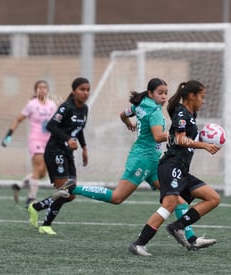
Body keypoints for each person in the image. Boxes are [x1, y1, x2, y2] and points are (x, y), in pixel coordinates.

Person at [54, 78, 216, 248]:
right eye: (160, 93)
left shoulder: (139, 105)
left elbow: (123, 114)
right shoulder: (154, 112)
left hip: (153, 161)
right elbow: (157, 136)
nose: (163, 97)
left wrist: (128, 123)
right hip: (143, 160)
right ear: (150, 93)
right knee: (117, 197)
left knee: (177, 199)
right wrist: (178, 135)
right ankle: (72, 188)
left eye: (165, 93)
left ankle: (191, 239)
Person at [128, 80, 221, 256]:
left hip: (182, 169)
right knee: (169, 203)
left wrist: (207, 140)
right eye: (202, 97)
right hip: (171, 165)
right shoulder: (181, 112)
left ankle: (178, 227)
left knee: (213, 198)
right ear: (192, 96)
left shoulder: (191, 115)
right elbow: (179, 139)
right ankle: (139, 244)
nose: (204, 101)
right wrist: (204, 145)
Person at [27, 77, 90, 235]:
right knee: (65, 190)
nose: (85, 93)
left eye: (88, 89)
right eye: (82, 89)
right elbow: (51, 125)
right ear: (74, 91)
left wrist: (84, 148)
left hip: (68, 152)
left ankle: (36, 207)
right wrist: (68, 139)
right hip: (55, 150)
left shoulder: (84, 109)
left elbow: (79, 129)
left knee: (71, 194)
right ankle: (46, 225)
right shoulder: (66, 107)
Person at [2, 80, 57, 208]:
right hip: (35, 140)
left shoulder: (52, 105)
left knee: (43, 173)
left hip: (48, 141)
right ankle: (31, 199)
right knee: (38, 167)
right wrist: (8, 135)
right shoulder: (31, 104)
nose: (42, 90)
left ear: (48, 90)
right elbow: (18, 119)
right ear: (35, 90)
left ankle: (19, 185)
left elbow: (56, 123)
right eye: (39, 87)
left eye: (44, 87)